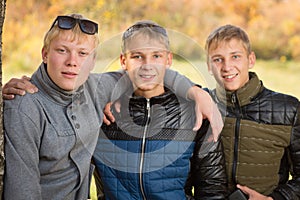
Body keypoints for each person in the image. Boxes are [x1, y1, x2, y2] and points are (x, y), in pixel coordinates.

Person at [92, 20, 227, 199]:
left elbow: (212, 189)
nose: (147, 65)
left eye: (156, 56)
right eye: (137, 56)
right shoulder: (106, 112)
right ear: (123, 61)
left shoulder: (194, 114)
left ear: (168, 60)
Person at [202, 24, 300, 200]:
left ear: (251, 59)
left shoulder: (288, 109)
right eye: (218, 59)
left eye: (235, 57)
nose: (227, 67)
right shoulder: (201, 104)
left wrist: (273, 199)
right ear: (209, 66)